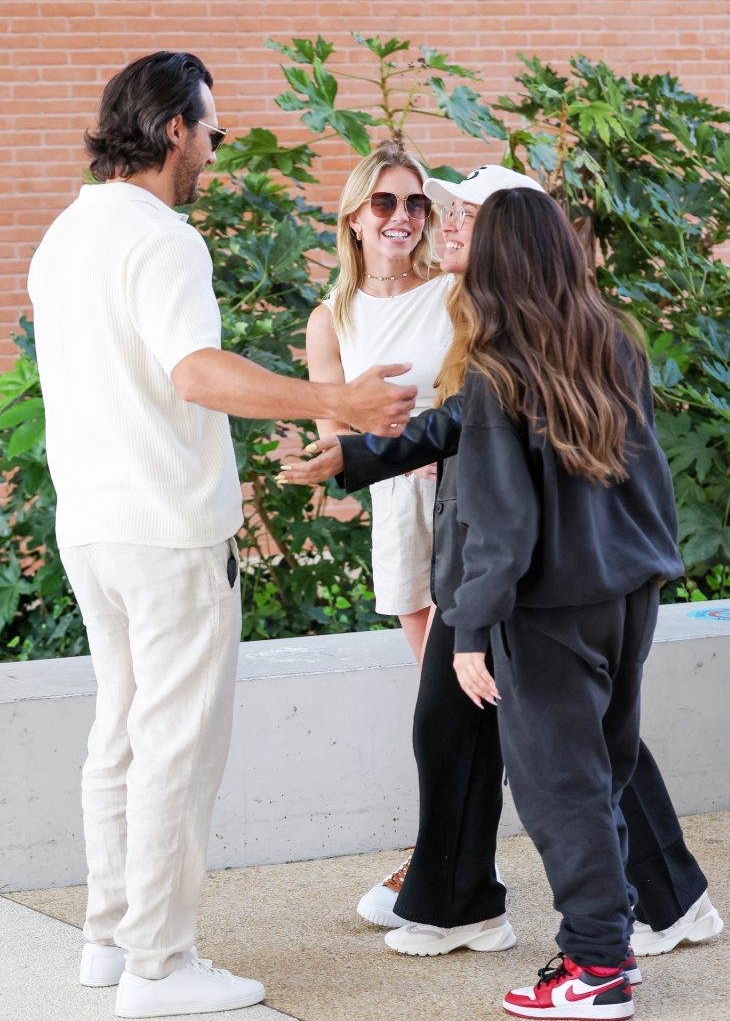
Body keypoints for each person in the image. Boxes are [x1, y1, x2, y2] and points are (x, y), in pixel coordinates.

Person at [27, 51, 417, 1020]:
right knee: (176, 745)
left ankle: (109, 938)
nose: (213, 151)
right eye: (213, 132)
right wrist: (341, 400)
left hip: (93, 529)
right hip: (166, 530)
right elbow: (193, 374)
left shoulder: (62, 239)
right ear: (173, 131)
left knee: (119, 729)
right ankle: (160, 965)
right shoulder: (163, 240)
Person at [280, 168, 722, 980]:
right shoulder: (604, 335)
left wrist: (477, 627)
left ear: (511, 249)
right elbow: (475, 435)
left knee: (565, 784)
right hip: (613, 587)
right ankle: (462, 901)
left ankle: (595, 962)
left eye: (463, 216)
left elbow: (501, 511)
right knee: (561, 758)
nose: (444, 225)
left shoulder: (494, 349)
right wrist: (359, 455)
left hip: (530, 595)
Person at [306, 141, 452, 662]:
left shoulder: (453, 290)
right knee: (434, 674)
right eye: (384, 202)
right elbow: (332, 433)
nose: (402, 216)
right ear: (354, 219)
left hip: (466, 483)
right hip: (397, 491)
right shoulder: (331, 318)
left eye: (415, 204)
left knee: (477, 657)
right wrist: (396, 457)